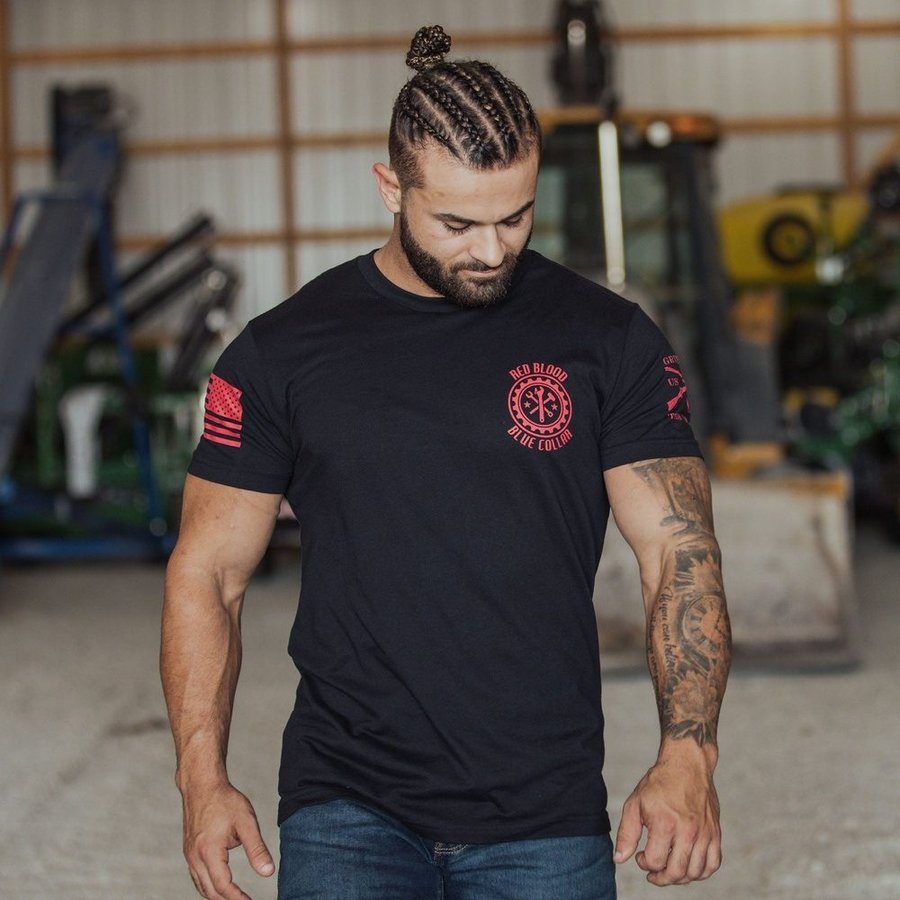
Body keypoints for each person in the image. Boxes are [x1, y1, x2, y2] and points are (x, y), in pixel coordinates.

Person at [160, 24, 731, 900]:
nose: (492, 250)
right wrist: (201, 778)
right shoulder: (283, 353)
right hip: (346, 805)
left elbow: (678, 551)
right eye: (458, 223)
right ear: (391, 188)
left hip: (545, 810)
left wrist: (689, 755)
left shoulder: (608, 340)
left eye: (516, 216)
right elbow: (208, 573)